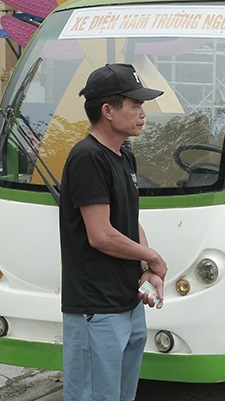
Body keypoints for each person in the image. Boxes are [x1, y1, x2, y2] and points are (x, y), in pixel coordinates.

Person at [59, 63, 169, 401]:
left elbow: (128, 219)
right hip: (96, 307)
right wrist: (152, 256)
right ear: (108, 110)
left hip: (127, 301)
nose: (142, 113)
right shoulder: (87, 158)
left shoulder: (123, 155)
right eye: (134, 105)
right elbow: (101, 234)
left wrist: (146, 268)